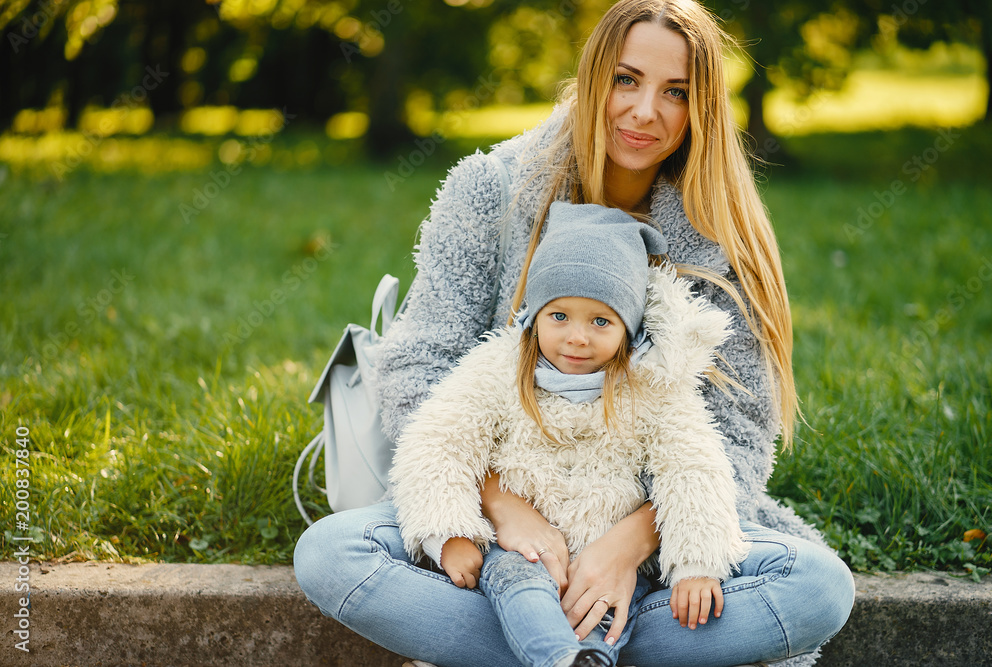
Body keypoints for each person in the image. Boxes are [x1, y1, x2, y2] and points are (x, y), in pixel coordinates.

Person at [294, 1, 855, 665]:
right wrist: (503, 509)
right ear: (593, 79)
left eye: (675, 92)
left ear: (702, 106)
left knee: (820, 588)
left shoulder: (720, 233)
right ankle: (578, 646)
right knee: (330, 553)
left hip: (654, 528)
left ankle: (556, 647)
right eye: (627, 79)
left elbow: (738, 436)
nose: (646, 111)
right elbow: (419, 366)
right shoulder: (492, 191)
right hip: (502, 517)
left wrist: (628, 545)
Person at [390, 201, 749, 667]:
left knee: (600, 614)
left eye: (600, 321)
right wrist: (447, 533)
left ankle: (576, 658)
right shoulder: (496, 371)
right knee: (520, 584)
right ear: (534, 315)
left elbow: (694, 467)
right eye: (559, 316)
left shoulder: (654, 390)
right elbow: (438, 443)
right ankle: (559, 658)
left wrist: (697, 563)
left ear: (629, 329)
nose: (577, 337)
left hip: (611, 559)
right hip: (520, 547)